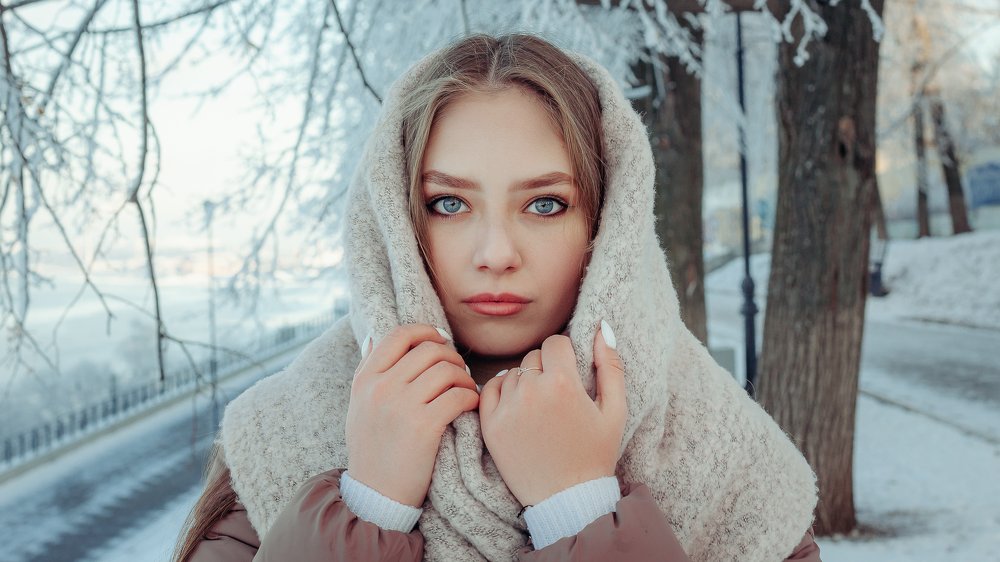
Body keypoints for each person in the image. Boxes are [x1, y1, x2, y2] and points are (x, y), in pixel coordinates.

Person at [173, 33, 822, 561]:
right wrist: (365, 507)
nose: (495, 253)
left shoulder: (727, 464)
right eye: (449, 203)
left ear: (606, 226)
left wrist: (581, 510)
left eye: (545, 204)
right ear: (401, 225)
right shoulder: (286, 434)